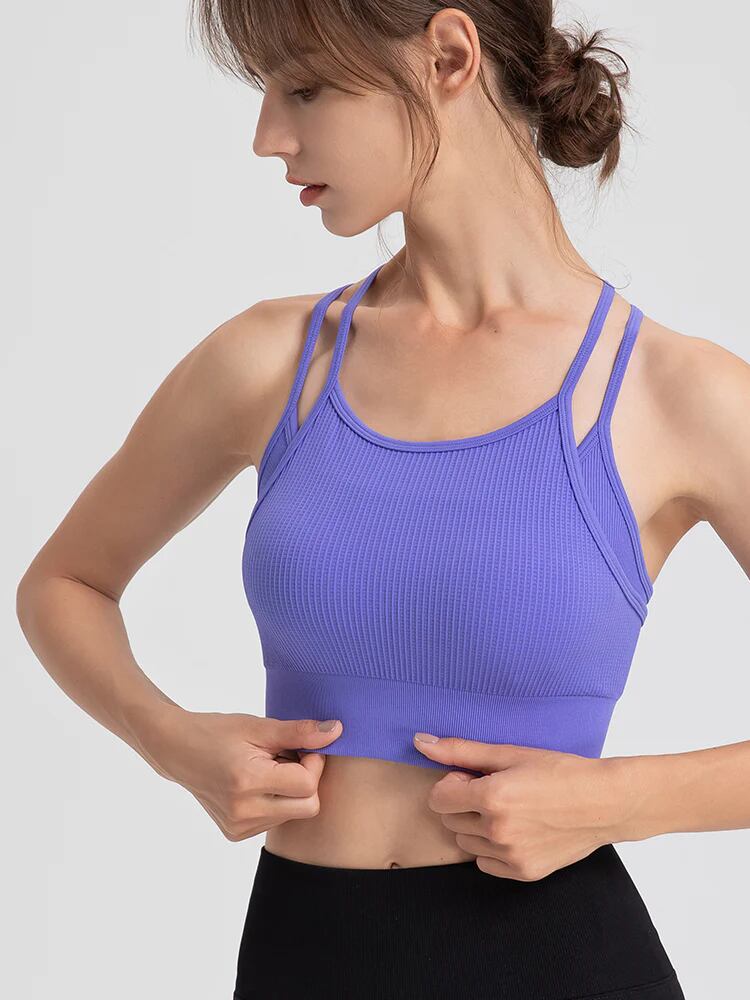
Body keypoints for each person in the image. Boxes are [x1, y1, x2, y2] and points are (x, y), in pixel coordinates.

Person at [17, 2, 750, 998]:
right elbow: (64, 583)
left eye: (305, 88)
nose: (269, 136)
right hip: (301, 958)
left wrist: (619, 799)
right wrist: (172, 741)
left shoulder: (676, 393)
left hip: (561, 962)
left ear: (448, 55)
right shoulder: (270, 361)